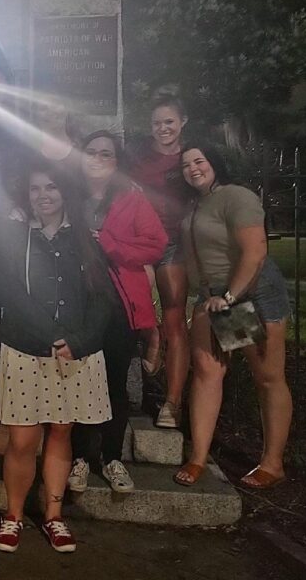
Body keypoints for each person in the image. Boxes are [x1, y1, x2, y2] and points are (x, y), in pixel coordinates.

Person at [0, 160, 114, 554]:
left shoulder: (84, 239)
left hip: (74, 353)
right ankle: (12, 515)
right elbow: (9, 293)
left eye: (52, 188)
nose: (43, 196)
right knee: (23, 439)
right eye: (35, 189)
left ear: (65, 192)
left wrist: (79, 340)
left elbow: (102, 298)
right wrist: (54, 336)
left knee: (61, 431)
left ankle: (54, 516)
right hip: (28, 348)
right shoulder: (15, 237)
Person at [173, 145, 292, 490]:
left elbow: (255, 253)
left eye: (199, 161)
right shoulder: (196, 204)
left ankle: (273, 463)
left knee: (267, 377)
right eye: (185, 165)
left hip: (246, 293)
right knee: (208, 374)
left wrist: (229, 298)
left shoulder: (235, 196)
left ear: (214, 163)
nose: (192, 168)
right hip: (213, 298)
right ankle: (198, 457)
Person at [69, 131, 167, 496]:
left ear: (116, 161)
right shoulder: (69, 197)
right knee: (77, 380)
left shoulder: (131, 200)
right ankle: (80, 457)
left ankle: (111, 458)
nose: (97, 158)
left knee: (113, 383)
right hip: (77, 303)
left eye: (106, 154)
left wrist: (110, 244)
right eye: (91, 151)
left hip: (118, 304)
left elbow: (155, 245)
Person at [128, 93, 192, 429]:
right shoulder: (139, 159)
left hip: (176, 245)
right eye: (157, 123)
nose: (163, 128)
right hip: (142, 242)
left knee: (175, 320)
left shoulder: (191, 159)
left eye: (169, 121)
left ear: (182, 122)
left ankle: (172, 402)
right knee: (138, 310)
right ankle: (151, 338)